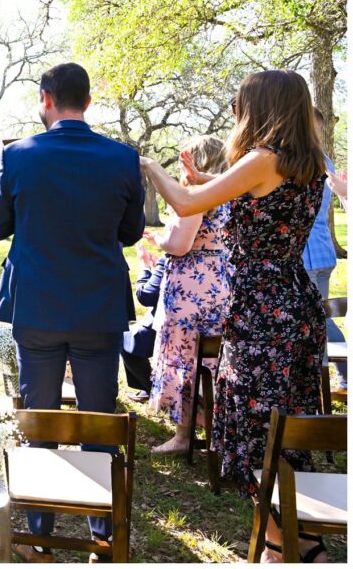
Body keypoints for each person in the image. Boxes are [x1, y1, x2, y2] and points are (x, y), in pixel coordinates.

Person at [142, 70, 328, 563]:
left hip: (263, 314)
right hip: (294, 305)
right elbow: (249, 197)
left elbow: (183, 203)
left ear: (263, 109)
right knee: (284, 426)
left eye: (243, 105)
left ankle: (283, 545)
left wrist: (148, 166)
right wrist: (205, 180)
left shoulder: (261, 159)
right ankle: (295, 537)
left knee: (251, 428)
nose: (236, 115)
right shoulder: (304, 162)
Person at [0, 63, 144, 562]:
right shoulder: (122, 158)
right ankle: (102, 534)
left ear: (45, 99)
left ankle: (38, 533)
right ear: (89, 102)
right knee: (99, 420)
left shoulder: (17, 156)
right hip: (97, 306)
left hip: (37, 307)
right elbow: (132, 233)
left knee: (41, 419)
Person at [143, 136, 231, 455]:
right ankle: (217, 434)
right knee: (212, 357)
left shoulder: (199, 193)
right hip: (220, 281)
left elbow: (180, 244)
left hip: (192, 287)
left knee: (186, 355)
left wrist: (160, 241)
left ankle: (183, 437)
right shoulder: (230, 190)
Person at [303, 108, 347, 391]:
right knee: (319, 317)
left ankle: (335, 377)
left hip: (308, 254)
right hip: (320, 251)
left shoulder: (306, 161)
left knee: (316, 320)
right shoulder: (323, 159)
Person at [121, 246, 167, 403]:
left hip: (168, 326)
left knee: (128, 340)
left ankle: (153, 389)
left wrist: (145, 266)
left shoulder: (170, 260)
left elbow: (146, 296)